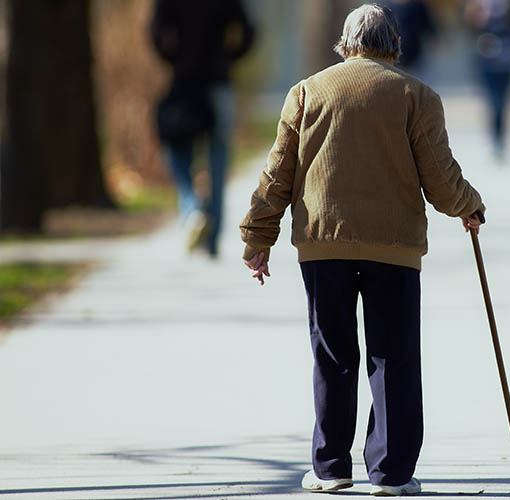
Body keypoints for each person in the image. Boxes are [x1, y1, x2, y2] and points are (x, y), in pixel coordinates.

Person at [239, 4, 485, 496]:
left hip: (322, 244)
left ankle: (331, 468)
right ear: (394, 45)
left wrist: (257, 236)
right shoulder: (416, 95)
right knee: (393, 354)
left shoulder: (306, 93)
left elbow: (277, 175)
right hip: (393, 245)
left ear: (345, 43)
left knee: (332, 353)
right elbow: (440, 176)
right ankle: (391, 474)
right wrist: (469, 205)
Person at [150, 0, 254, 257]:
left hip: (184, 84)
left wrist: (173, 58)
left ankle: (192, 208)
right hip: (218, 86)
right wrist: (228, 59)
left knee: (176, 151)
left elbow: (154, 31)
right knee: (217, 162)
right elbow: (249, 32)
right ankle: (212, 241)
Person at [464, 0, 510, 158]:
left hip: (508, 61)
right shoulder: (477, 6)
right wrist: (476, 17)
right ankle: (495, 139)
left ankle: (502, 138)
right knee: (493, 101)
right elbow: (470, 31)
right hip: (487, 62)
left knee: (503, 102)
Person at [383, 0, 436, 74]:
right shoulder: (384, 6)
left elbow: (427, 27)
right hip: (391, 59)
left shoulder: (417, 5)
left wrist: (435, 40)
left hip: (415, 58)